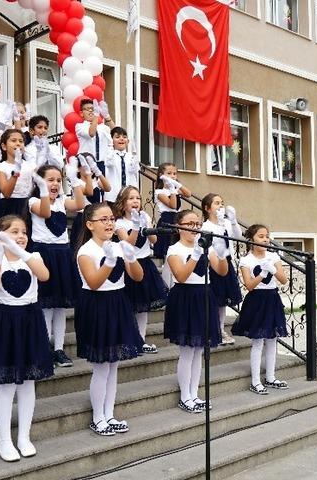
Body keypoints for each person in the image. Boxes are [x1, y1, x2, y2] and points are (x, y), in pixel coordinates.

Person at [0, 215, 52, 461]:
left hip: (30, 320)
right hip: (6, 322)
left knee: (28, 382)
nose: (21, 236)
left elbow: (44, 275)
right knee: (6, 384)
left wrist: (20, 251)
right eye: (14, 232)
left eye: (24, 232)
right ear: (1, 235)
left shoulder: (33, 257)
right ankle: (4, 441)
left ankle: (24, 436)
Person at [75, 203, 144, 436]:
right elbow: (94, 282)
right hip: (96, 305)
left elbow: (137, 276)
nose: (109, 223)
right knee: (102, 366)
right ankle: (98, 417)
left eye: (112, 219)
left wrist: (131, 257)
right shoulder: (86, 251)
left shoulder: (117, 246)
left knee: (114, 365)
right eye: (103, 219)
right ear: (90, 224)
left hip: (117, 302)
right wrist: (110, 262)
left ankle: (109, 413)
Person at [164, 210, 229, 413]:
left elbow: (222, 271)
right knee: (187, 350)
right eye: (190, 224)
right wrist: (195, 254)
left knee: (200, 350)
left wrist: (222, 253)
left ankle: (194, 393)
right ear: (179, 227)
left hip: (203, 296)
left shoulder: (205, 247)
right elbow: (181, 276)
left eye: (197, 224)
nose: (195, 228)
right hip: (185, 297)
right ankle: (185, 396)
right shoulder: (174, 249)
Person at [28, 164, 86, 368]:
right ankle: (44, 347)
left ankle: (59, 348)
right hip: (44, 253)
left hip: (62, 254)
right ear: (39, 182)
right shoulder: (34, 201)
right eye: (49, 180)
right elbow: (45, 213)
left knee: (60, 306)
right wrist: (43, 190)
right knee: (46, 304)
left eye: (58, 180)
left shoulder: (62, 201)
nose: (55, 184)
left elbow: (80, 204)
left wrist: (74, 180)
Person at [231, 224, 289, 395]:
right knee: (258, 341)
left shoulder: (273, 256)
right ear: (251, 239)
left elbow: (283, 280)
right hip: (256, 300)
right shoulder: (246, 260)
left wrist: (273, 269)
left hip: (272, 298)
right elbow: (249, 285)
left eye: (267, 236)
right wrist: (262, 274)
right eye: (261, 236)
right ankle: (255, 381)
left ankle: (270, 377)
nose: (265, 239)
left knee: (272, 340)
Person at [113, 186, 167, 354]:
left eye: (137, 198)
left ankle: (141, 340)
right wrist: (136, 226)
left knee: (143, 307)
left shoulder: (144, 216)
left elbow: (154, 239)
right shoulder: (119, 223)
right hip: (129, 265)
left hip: (145, 264)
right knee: (129, 306)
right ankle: (128, 340)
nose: (135, 201)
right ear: (122, 203)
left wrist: (145, 224)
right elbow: (128, 243)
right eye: (131, 198)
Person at [201, 193, 243, 344]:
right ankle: (212, 330)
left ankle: (220, 329)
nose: (221, 206)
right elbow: (211, 246)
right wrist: (219, 226)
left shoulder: (225, 223)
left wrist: (233, 221)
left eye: (222, 203)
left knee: (223, 300)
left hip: (227, 261)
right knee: (215, 298)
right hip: (214, 263)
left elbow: (238, 236)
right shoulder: (206, 227)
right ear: (207, 208)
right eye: (217, 203)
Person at [152, 162, 191, 259]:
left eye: (174, 173)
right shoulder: (159, 192)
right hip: (167, 220)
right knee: (167, 247)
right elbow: (173, 205)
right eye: (169, 173)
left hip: (177, 219)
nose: (172, 176)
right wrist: (172, 190)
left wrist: (177, 184)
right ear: (161, 175)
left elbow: (188, 194)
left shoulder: (175, 189)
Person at [0, 129, 31, 218]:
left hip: (27, 205)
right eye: (13, 140)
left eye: (21, 141)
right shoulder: (1, 166)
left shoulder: (30, 165)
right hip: (8, 206)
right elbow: (6, 193)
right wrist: (16, 171)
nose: (18, 143)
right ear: (4, 146)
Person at [103, 127, 140, 205]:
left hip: (129, 196)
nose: (121, 139)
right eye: (117, 137)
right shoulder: (109, 155)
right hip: (113, 196)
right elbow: (109, 163)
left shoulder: (131, 156)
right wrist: (110, 146)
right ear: (112, 140)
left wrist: (134, 154)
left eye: (124, 137)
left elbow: (134, 170)